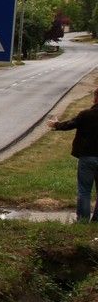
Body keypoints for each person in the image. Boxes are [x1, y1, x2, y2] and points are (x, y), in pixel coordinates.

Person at [48, 86, 98, 222]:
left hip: (87, 157)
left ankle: (82, 220)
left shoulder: (86, 115)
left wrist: (56, 125)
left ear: (95, 99)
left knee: (84, 190)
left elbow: (71, 124)